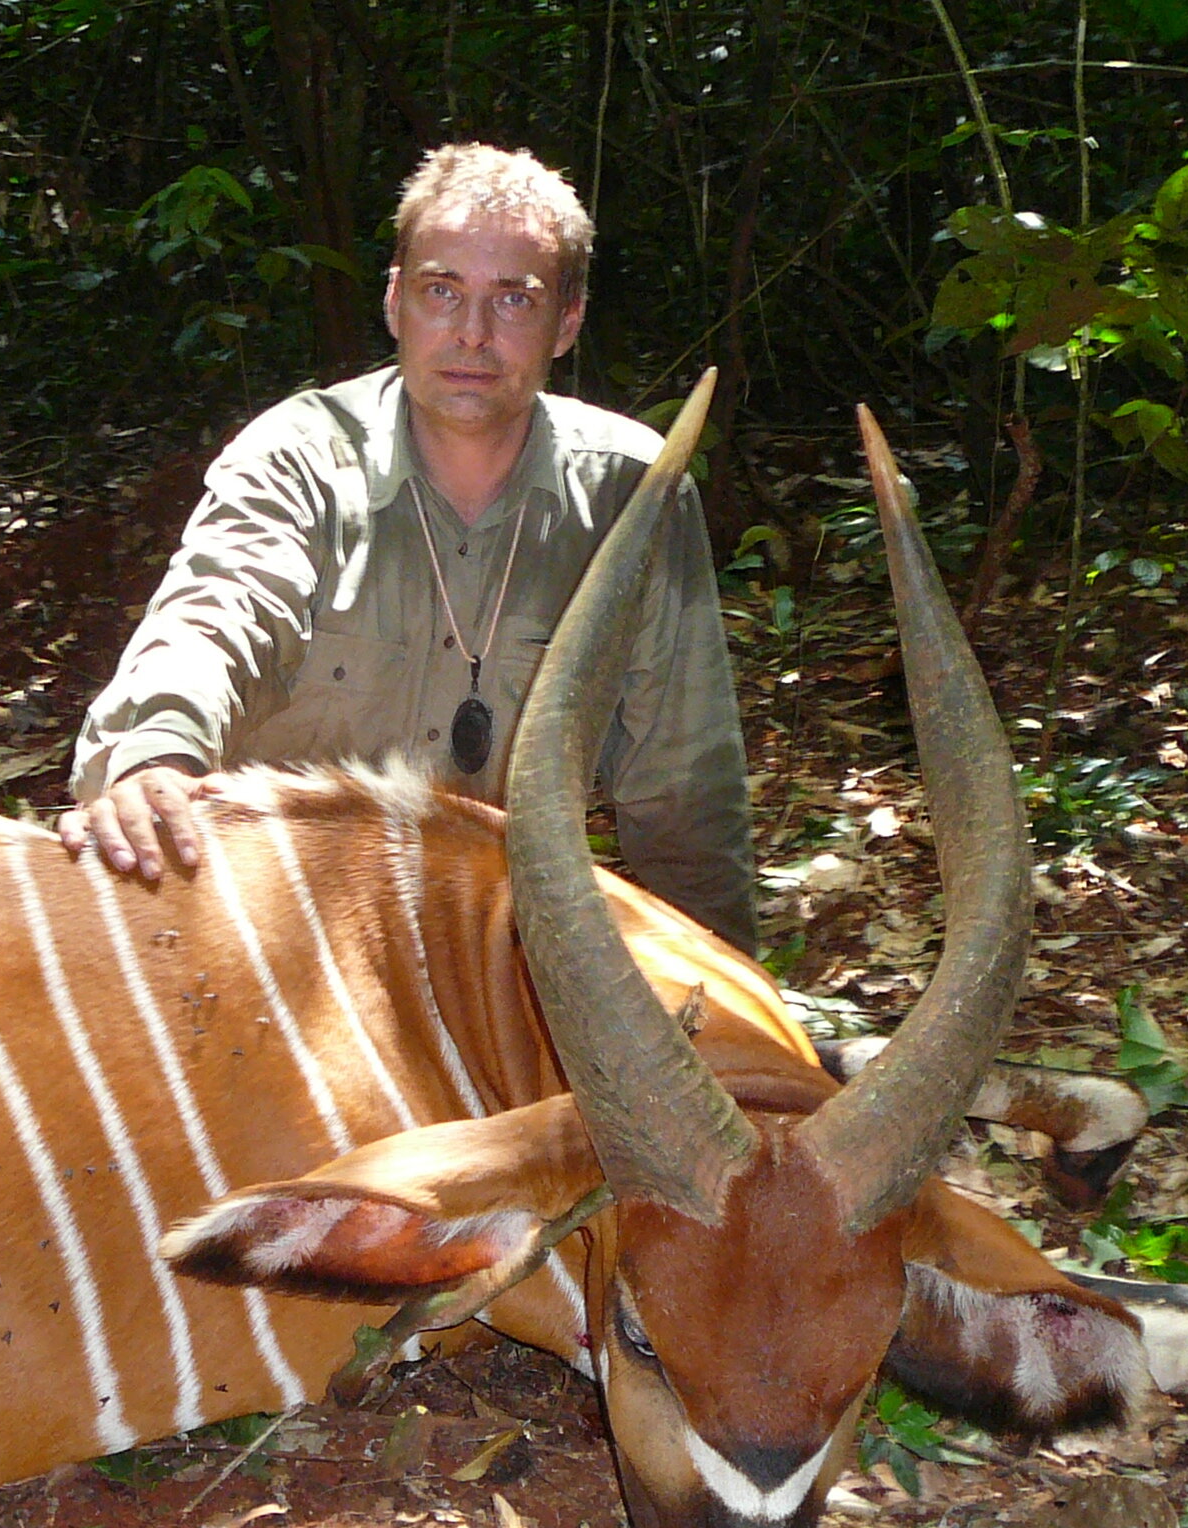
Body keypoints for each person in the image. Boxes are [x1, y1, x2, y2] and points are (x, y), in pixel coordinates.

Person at [57, 143, 755, 954]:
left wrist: (732, 996)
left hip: (481, 944)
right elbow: (216, 614)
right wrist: (154, 755)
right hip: (267, 922)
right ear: (395, 303)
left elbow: (686, 796)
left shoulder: (635, 497)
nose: (471, 334)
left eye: (514, 301)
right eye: (441, 291)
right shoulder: (300, 457)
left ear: (566, 322)